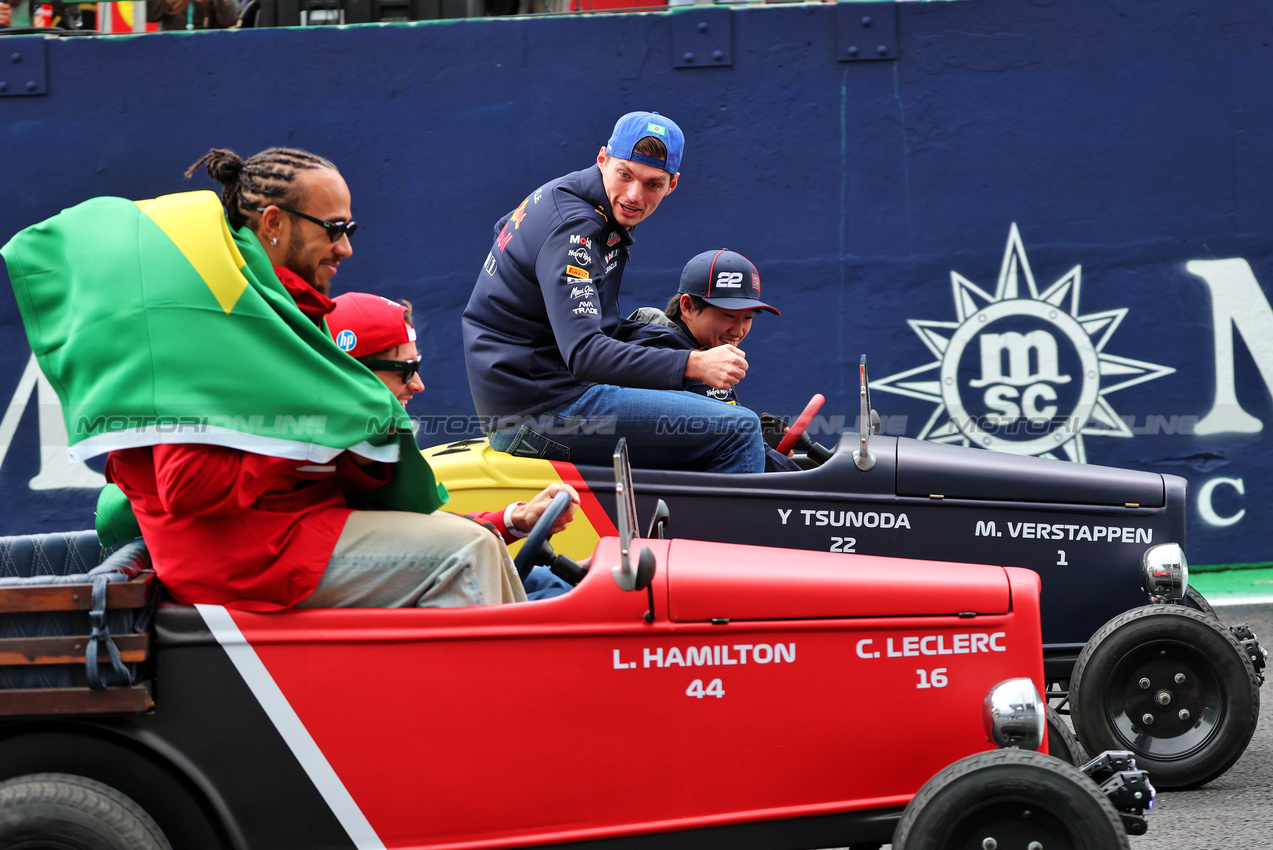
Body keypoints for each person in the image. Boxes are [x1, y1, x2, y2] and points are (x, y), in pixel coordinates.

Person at [101, 146, 547, 611]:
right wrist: (323, 422)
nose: (346, 247)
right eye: (334, 229)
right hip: (238, 559)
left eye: (348, 230)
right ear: (273, 223)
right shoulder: (217, 315)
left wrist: (504, 520)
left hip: (286, 532)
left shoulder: (279, 312)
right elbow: (186, 485)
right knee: (467, 552)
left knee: (479, 541)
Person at [463, 111, 766, 475]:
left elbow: (504, 228)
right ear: (602, 159)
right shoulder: (575, 229)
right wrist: (695, 364)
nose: (634, 196)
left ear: (673, 185)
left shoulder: (567, 194)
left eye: (653, 184)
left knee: (666, 337)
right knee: (740, 429)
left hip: (532, 392)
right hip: (542, 410)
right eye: (625, 175)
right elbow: (586, 354)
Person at [328, 292, 577, 599]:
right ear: (353, 376)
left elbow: (423, 531)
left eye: (416, 366)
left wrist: (517, 520)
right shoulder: (323, 458)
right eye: (405, 370)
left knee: (548, 581)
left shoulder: (361, 446)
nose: (419, 384)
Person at [628, 249, 779, 406]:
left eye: (748, 318)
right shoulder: (651, 357)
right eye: (728, 316)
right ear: (687, 307)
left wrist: (762, 430)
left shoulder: (712, 352)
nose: (738, 331)